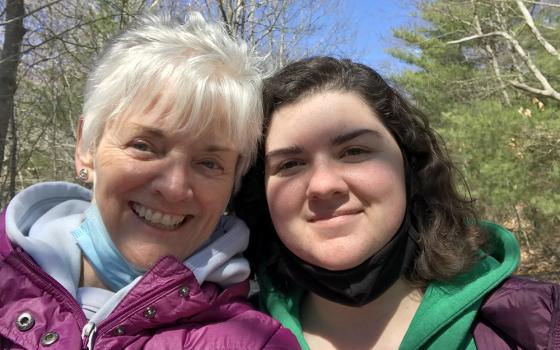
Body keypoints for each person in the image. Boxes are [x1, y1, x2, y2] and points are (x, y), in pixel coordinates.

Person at [0, 13, 299, 349]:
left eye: (209, 163)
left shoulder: (255, 343)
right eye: (144, 146)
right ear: (86, 147)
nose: (173, 188)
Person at [233, 56, 559, 349]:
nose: (323, 185)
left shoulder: (538, 327)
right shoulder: (227, 335)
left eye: (354, 152)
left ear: (410, 166)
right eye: (290, 164)